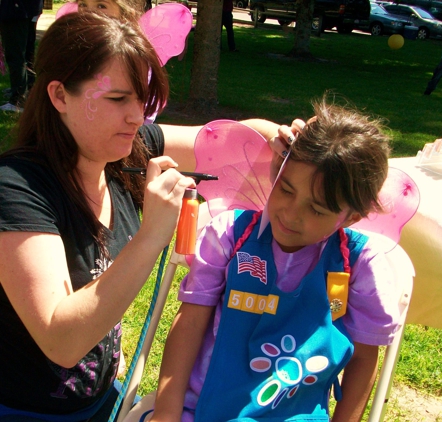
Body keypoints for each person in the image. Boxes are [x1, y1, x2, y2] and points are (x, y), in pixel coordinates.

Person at [0, 12, 286, 422]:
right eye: (117, 99)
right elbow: (61, 341)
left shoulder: (124, 147)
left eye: (141, 99)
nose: (137, 116)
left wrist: (282, 138)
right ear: (60, 96)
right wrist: (151, 236)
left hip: (99, 401)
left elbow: (232, 143)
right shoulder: (16, 187)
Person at [148, 94, 402, 422]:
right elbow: (190, 323)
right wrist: (166, 412)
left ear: (352, 216)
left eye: (316, 209)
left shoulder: (359, 265)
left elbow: (364, 359)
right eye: (285, 189)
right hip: (202, 409)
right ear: (276, 170)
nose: (290, 214)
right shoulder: (230, 235)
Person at [0, 0, 43, 112]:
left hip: (16, 9)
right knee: (27, 51)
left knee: (16, 54)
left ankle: (18, 99)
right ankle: (27, 89)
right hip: (29, 8)